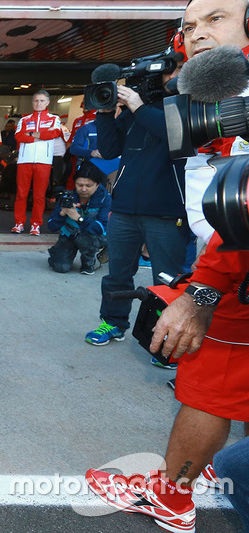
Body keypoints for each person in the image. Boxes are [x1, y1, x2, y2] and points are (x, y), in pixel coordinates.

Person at [84, 3, 249, 532]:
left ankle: (172, 496)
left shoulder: (234, 96)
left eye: (215, 19)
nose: (198, 34)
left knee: (208, 387)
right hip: (223, 259)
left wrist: (201, 292)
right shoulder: (218, 92)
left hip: (231, 270)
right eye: (189, 26)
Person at [84, 70, 188, 348]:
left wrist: (139, 106)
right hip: (125, 208)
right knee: (117, 273)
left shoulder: (182, 103)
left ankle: (164, 340)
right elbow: (108, 150)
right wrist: (105, 113)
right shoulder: (131, 111)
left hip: (167, 209)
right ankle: (113, 323)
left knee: (167, 278)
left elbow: (172, 133)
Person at [12, 90, 63, 236]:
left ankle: (35, 225)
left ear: (47, 102)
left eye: (41, 101)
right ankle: (19, 223)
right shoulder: (24, 119)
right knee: (21, 194)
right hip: (24, 161)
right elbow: (18, 136)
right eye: (36, 101)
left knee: (39, 196)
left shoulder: (54, 119)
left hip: (43, 161)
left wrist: (32, 134)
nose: (38, 103)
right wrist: (40, 136)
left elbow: (54, 134)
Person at [46, 171, 111, 274]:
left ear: (97, 185)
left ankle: (89, 262)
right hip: (70, 234)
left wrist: (78, 218)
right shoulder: (68, 197)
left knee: (84, 238)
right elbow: (51, 226)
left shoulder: (105, 199)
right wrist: (62, 214)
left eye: (88, 186)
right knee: (61, 268)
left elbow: (101, 228)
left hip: (94, 236)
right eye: (79, 185)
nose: (83, 189)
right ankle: (57, 252)